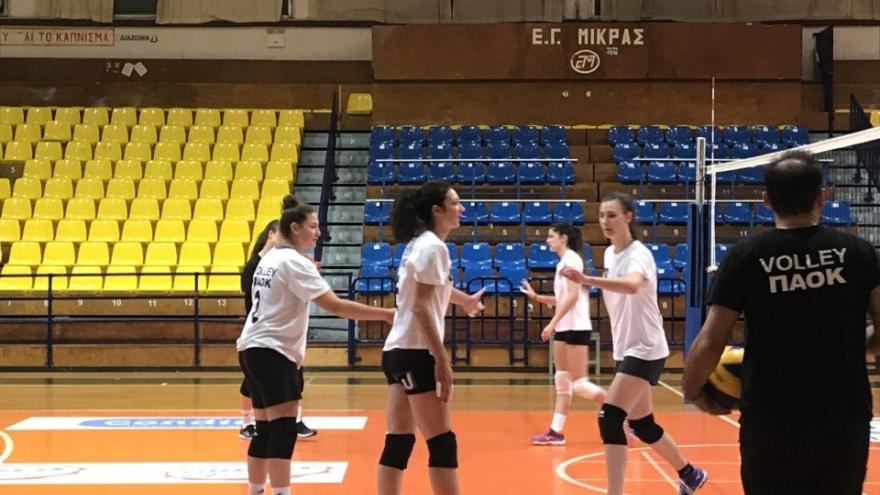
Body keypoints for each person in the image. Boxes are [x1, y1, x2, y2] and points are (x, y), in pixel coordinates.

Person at [683, 150, 880, 495]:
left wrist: (692, 390)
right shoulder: (859, 253)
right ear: (821, 197)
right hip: (843, 416)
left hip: (771, 418)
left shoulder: (746, 257)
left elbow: (712, 339)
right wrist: (850, 345)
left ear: (766, 200)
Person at [237, 196, 395, 495]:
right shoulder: (294, 262)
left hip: (251, 347)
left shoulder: (269, 257)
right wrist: (386, 314)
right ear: (295, 228)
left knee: (265, 430)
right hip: (273, 350)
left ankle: (255, 490)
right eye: (313, 226)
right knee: (282, 429)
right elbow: (335, 306)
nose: (319, 232)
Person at [561, 192, 707, 495]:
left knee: (610, 418)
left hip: (646, 348)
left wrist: (587, 279)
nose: (605, 221)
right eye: (602, 215)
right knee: (642, 424)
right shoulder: (609, 254)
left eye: (612, 215)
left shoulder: (638, 254)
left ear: (628, 217)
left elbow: (631, 285)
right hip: (627, 348)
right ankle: (689, 473)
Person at [377, 181, 485, 495]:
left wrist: (464, 300)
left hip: (397, 351)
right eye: (455, 203)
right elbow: (421, 306)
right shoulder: (434, 247)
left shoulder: (419, 244)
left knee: (398, 441)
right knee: (442, 443)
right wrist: (441, 358)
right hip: (416, 351)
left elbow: (431, 288)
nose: (461, 208)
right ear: (437, 211)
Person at [520, 222, 605, 445]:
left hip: (576, 326)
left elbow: (573, 297)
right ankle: (555, 432)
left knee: (579, 385)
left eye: (551, 236)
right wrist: (537, 298)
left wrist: (551, 323)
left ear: (563, 238)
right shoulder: (562, 263)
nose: (547, 240)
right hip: (564, 327)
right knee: (562, 382)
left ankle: (620, 409)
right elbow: (562, 299)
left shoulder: (572, 260)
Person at [238, 219, 318, 439]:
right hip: (261, 333)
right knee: (252, 385)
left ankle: (295, 420)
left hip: (279, 336)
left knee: (294, 379)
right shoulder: (257, 264)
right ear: (271, 235)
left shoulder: (280, 261)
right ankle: (247, 423)